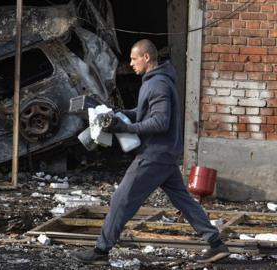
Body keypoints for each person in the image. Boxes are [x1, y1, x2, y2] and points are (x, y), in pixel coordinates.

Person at [71, 39, 230, 265]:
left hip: (154, 155)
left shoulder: (158, 84)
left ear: (147, 57)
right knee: (184, 202)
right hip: (165, 155)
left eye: (134, 59)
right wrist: (122, 113)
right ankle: (216, 244)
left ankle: (100, 251)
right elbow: (145, 111)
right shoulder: (155, 81)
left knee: (120, 199)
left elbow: (160, 122)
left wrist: (126, 127)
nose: (131, 63)